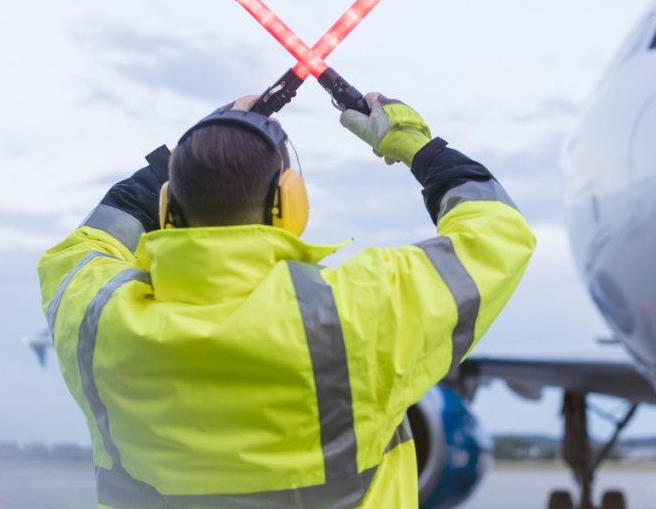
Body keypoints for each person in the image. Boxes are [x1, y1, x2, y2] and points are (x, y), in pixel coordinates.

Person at [38, 92, 536, 508]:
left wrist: (208, 143)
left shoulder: (95, 317)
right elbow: (496, 231)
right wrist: (414, 144)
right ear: (290, 202)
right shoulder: (361, 311)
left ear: (167, 204)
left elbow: (87, 243)